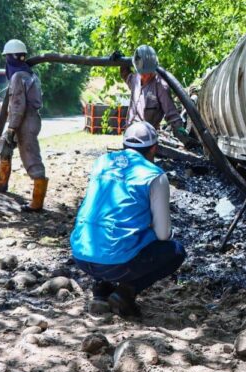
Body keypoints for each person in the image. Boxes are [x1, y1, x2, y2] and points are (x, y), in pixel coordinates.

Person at [70, 121, 186, 316]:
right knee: (175, 251)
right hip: (117, 262)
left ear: (124, 145)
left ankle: (101, 288)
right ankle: (126, 292)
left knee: (109, 230)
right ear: (154, 149)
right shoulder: (154, 176)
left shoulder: (102, 162)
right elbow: (163, 234)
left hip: (81, 254)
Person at [0, 39, 48, 212]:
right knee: (4, 145)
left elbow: (18, 104)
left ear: (11, 58)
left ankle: (37, 200)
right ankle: (2, 181)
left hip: (25, 121)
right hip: (26, 119)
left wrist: (12, 127)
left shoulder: (18, 76)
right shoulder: (30, 74)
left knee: (30, 155)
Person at [122, 45, 192, 146]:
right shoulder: (135, 80)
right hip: (129, 134)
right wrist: (120, 60)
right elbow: (125, 74)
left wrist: (180, 131)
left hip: (146, 139)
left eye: (149, 72)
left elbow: (171, 113)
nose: (146, 76)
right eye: (143, 73)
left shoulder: (160, 86)